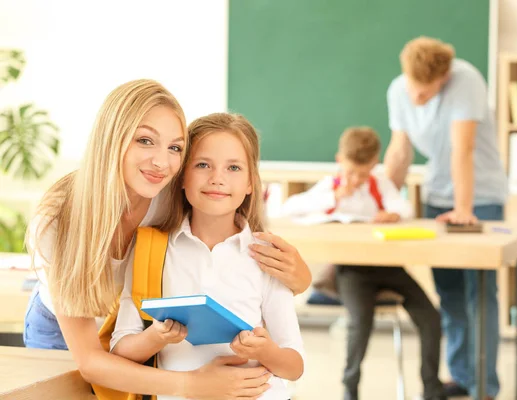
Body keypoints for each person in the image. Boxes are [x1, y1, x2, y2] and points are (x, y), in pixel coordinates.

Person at [24, 79, 311, 399]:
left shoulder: (168, 193)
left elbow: (263, 285)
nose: (162, 163)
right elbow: (92, 361)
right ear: (112, 139)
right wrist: (195, 385)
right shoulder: (57, 220)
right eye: (145, 140)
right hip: (65, 332)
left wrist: (301, 276)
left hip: (132, 331)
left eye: (175, 147)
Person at [111, 112, 304, 400]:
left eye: (234, 168)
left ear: (251, 183)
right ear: (182, 177)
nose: (217, 179)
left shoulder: (266, 257)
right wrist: (155, 337)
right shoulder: (150, 248)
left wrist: (266, 351)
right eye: (203, 165)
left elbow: (294, 366)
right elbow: (119, 350)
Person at [384, 36, 508, 400]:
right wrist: (387, 202)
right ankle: (462, 375)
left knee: (480, 294)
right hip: (437, 196)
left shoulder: (465, 80)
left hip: (481, 197)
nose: (418, 98)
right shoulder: (398, 89)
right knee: (450, 292)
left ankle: (484, 386)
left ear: (445, 77)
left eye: (427, 92)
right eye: (414, 90)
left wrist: (465, 207)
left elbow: (463, 148)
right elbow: (399, 151)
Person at [281, 126, 446, 400]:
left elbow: (405, 208)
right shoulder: (330, 186)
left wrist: (393, 214)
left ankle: (432, 388)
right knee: (361, 320)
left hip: (389, 267)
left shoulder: (379, 185)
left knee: (430, 316)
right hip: (352, 272)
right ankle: (351, 387)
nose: (356, 179)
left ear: (373, 165)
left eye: (362, 172)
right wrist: (334, 198)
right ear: (339, 160)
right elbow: (288, 207)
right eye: (350, 171)